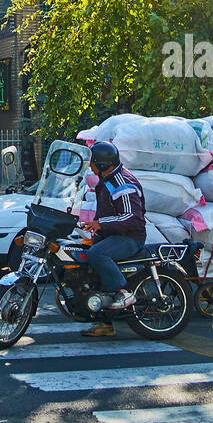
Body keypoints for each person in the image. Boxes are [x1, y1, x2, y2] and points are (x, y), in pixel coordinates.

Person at [79, 140, 146, 339]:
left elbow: (132, 217)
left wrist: (101, 223)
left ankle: (122, 292)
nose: (90, 167)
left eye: (92, 163)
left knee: (97, 254)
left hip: (130, 237)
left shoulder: (122, 184)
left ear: (101, 164)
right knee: (91, 271)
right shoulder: (107, 178)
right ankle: (105, 324)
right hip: (112, 234)